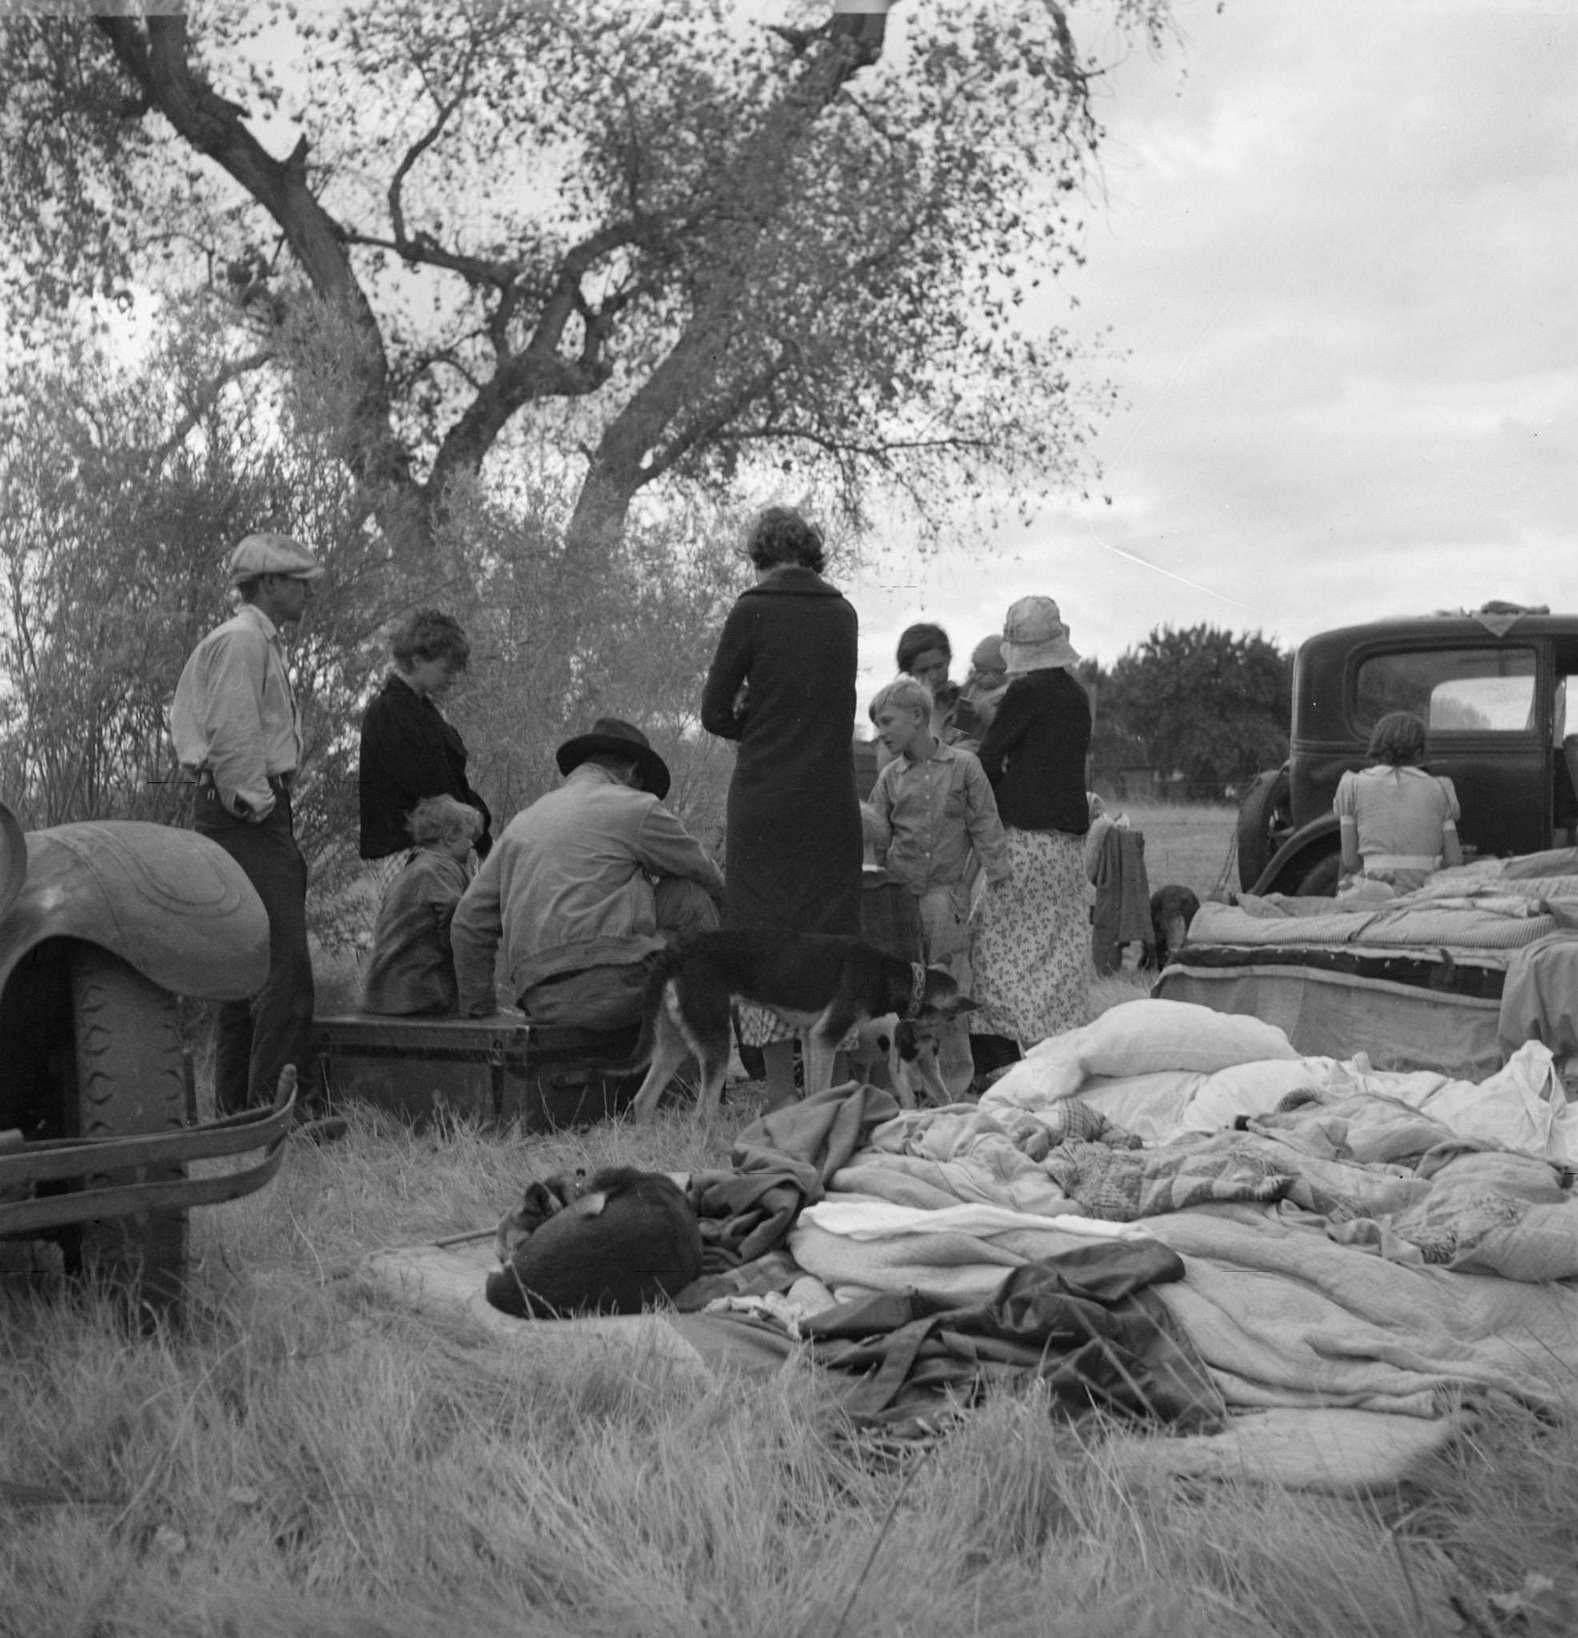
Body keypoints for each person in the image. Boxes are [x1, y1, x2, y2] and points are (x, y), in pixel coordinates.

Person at [700, 505, 862, 1109]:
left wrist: (757, 720)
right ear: (814, 553)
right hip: (830, 800)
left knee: (762, 935)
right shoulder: (842, 613)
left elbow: (713, 712)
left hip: (766, 797)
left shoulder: (752, 609)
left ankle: (775, 1092)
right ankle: (837, 1088)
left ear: (759, 555)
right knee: (831, 934)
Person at [170, 531, 322, 1117]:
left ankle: (239, 1111)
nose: (307, 593)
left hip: (235, 812)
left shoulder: (245, 640)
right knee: (283, 968)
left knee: (243, 964)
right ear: (269, 584)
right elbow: (233, 735)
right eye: (298, 582)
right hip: (247, 815)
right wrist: (258, 806)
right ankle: (275, 1113)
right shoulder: (242, 642)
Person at [450, 718, 724, 1029]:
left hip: (541, 1001)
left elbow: (467, 921)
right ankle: (699, 1061)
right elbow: (708, 875)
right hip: (617, 990)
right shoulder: (636, 806)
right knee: (692, 894)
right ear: (634, 773)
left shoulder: (521, 823)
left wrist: (481, 1013)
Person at [862, 676, 1010, 1097]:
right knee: (900, 994)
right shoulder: (890, 778)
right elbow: (875, 832)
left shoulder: (964, 767)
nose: (882, 732)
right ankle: (899, 1086)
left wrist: (971, 885)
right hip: (901, 903)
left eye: (888, 721)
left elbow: (985, 826)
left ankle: (953, 1088)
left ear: (918, 717)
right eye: (877, 724)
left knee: (947, 994)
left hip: (946, 898)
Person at [969, 594, 1093, 1053]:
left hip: (1025, 838)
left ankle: (1005, 1049)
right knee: (1056, 948)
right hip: (1067, 846)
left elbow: (988, 757)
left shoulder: (1026, 692)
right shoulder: (1076, 696)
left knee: (1000, 942)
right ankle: (1056, 1047)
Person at [359, 610, 492, 869]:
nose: (452, 679)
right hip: (413, 853)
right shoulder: (391, 712)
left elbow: (451, 784)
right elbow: (432, 788)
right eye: (446, 669)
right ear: (418, 660)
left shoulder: (422, 712)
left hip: (440, 849)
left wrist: (479, 819)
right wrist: (473, 817)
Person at [361, 795, 482, 1015]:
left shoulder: (408, 871)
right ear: (448, 838)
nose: (472, 844)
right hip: (418, 993)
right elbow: (459, 920)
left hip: (380, 994)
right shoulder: (441, 868)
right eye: (468, 837)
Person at [1334, 710, 1462, 901]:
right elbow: (1454, 860)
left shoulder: (1350, 786)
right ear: (1419, 752)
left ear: (1377, 746)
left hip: (1374, 890)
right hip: (1423, 890)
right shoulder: (1441, 788)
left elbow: (1350, 861)